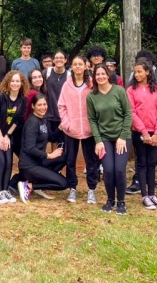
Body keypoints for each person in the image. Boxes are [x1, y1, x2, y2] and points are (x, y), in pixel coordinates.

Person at [87, 64, 133, 215]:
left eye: (102, 73)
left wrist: (122, 136)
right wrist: (98, 140)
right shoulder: (91, 96)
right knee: (108, 170)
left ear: (108, 75)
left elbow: (128, 114)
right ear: (94, 77)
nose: (100, 76)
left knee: (119, 169)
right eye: (97, 74)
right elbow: (92, 120)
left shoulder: (119, 91)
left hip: (122, 137)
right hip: (104, 138)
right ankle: (110, 200)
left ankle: (121, 202)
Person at [58, 56, 99, 205]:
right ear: (71, 66)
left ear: (85, 66)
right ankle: (72, 188)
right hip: (71, 130)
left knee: (91, 161)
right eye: (75, 64)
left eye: (80, 64)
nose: (77, 66)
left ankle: (91, 189)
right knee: (70, 160)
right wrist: (67, 123)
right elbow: (61, 106)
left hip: (89, 130)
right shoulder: (67, 85)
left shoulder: (92, 84)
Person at [126, 59, 157, 210]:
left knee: (152, 164)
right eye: (135, 72)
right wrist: (144, 132)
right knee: (141, 163)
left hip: (155, 133)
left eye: (140, 71)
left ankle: (152, 194)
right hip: (140, 133)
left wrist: (156, 133)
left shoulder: (156, 90)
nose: (137, 74)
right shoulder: (131, 90)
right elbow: (132, 112)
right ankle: (144, 196)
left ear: (148, 72)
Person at [0, 71, 28, 204]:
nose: (15, 83)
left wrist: (7, 135)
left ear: (22, 84)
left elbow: (18, 120)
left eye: (18, 81)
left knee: (9, 162)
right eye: (12, 81)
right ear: (8, 83)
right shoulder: (0, 97)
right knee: (1, 161)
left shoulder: (22, 100)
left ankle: (5, 190)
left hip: (7, 134)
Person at [18, 94, 69, 203]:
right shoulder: (32, 123)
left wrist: (60, 127)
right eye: (39, 105)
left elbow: (51, 137)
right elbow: (30, 149)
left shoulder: (43, 119)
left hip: (39, 161)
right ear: (33, 106)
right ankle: (30, 186)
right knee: (63, 184)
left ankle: (41, 182)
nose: (43, 107)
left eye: (44, 104)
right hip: (29, 166)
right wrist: (49, 155)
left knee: (65, 157)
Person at [44, 50, 70, 144]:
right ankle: (51, 158)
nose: (59, 60)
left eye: (61, 58)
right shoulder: (47, 72)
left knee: (62, 143)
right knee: (51, 140)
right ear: (53, 60)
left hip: (62, 115)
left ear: (66, 60)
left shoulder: (69, 75)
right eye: (56, 58)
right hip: (48, 114)